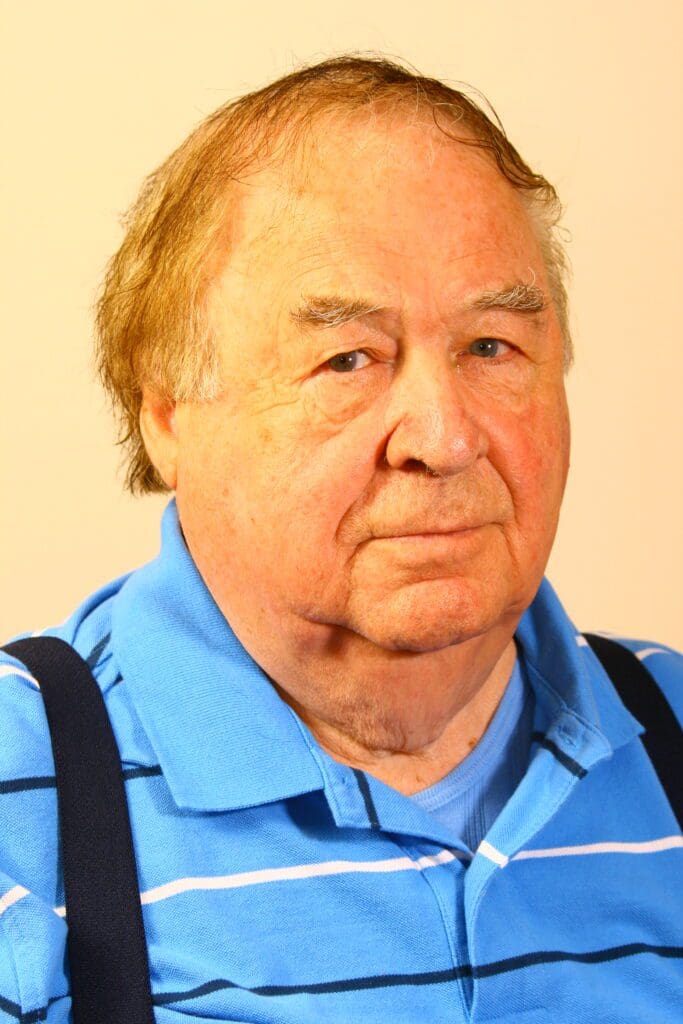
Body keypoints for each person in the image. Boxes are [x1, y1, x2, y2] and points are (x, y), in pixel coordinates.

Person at [0, 55, 681, 1023]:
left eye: (491, 346)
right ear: (167, 414)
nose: (443, 439)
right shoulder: (22, 796)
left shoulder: (669, 736)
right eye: (347, 358)